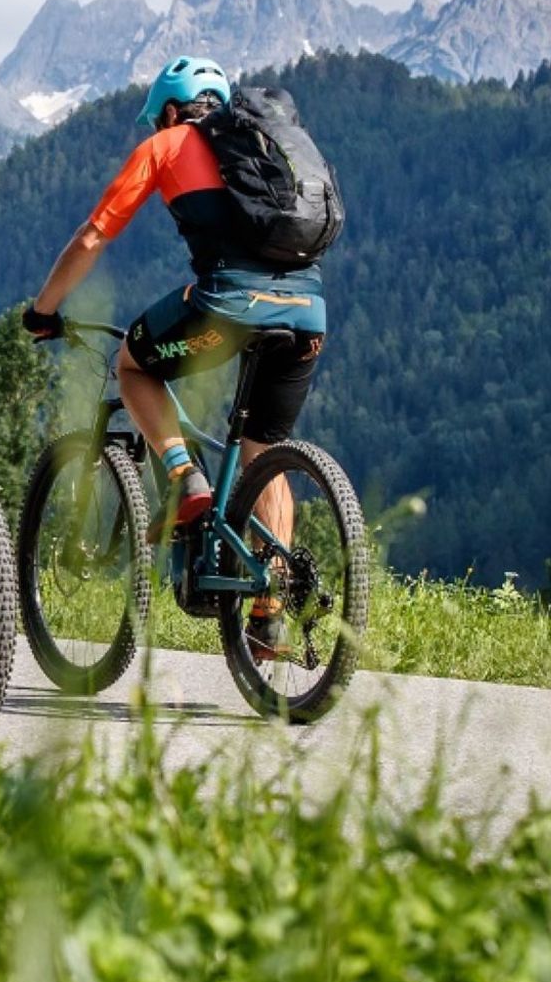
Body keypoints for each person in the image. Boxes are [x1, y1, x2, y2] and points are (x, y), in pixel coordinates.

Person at [21, 55, 325, 660]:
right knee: (264, 453)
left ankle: (187, 478)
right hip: (308, 313)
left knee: (134, 365)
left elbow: (93, 237)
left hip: (229, 308)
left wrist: (43, 309)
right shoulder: (265, 146)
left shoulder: (165, 145)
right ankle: (268, 620)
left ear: (168, 110)